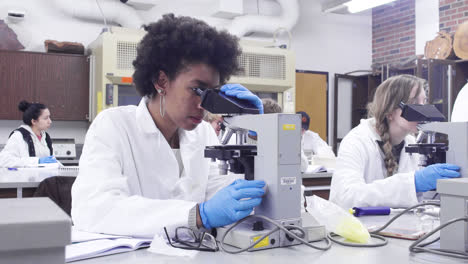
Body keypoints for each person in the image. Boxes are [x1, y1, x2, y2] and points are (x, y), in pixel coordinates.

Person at [71, 14, 265, 238]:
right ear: (162, 81)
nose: (204, 104)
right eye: (197, 90)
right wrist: (198, 215)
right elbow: (96, 210)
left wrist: (260, 132)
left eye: (211, 94)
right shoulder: (113, 126)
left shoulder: (203, 134)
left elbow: (230, 193)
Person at [329, 75, 460, 209]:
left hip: (398, 226)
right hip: (359, 226)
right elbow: (345, 197)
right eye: (414, 102)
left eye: (424, 102)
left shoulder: (409, 141)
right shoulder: (357, 141)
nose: (422, 110)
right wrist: (413, 183)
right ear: (390, 111)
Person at [0, 100, 57, 167]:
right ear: (34, 121)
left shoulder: (46, 137)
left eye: (49, 117)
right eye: (46, 118)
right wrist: (37, 161)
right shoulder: (18, 136)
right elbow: (4, 161)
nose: (50, 121)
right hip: (23, 177)